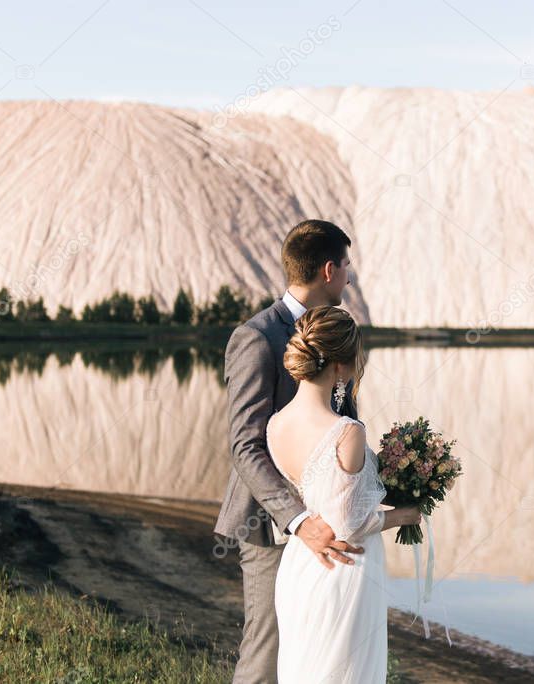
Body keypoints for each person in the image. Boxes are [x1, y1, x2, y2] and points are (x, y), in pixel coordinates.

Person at [214, 219, 372, 682]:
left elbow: (342, 425)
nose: (349, 275)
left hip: (331, 521)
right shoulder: (257, 337)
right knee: (267, 655)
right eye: (345, 266)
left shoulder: (334, 331)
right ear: (328, 270)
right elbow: (245, 444)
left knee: (322, 652)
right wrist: (299, 521)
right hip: (270, 524)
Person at [267, 305, 419, 682]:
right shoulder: (347, 431)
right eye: (354, 359)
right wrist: (406, 515)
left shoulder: (275, 424)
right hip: (344, 573)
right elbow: (349, 523)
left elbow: (324, 496)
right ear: (339, 366)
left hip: (301, 565)